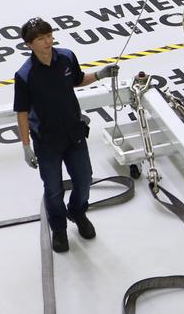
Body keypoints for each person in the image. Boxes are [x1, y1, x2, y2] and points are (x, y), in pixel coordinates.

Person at [13, 17, 119, 254]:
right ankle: (59, 228)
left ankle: (78, 212)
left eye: (49, 36)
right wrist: (26, 145)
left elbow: (78, 80)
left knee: (84, 179)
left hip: (74, 133)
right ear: (29, 44)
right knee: (53, 189)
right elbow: (21, 113)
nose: (48, 41)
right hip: (47, 141)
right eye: (41, 39)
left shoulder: (67, 57)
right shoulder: (25, 75)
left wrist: (100, 75)